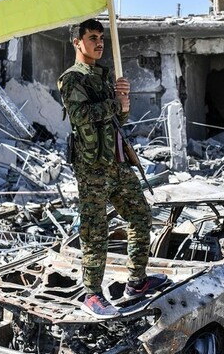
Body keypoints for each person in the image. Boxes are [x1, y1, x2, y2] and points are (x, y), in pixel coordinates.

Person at [57, 18, 168, 317]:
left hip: (117, 162)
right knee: (95, 229)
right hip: (92, 166)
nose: (99, 43)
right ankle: (92, 294)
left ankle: (137, 281)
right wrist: (115, 103)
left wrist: (124, 103)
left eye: (101, 38)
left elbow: (118, 121)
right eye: (92, 38)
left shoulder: (103, 76)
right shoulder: (71, 78)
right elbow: (80, 116)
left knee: (140, 216)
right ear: (77, 42)